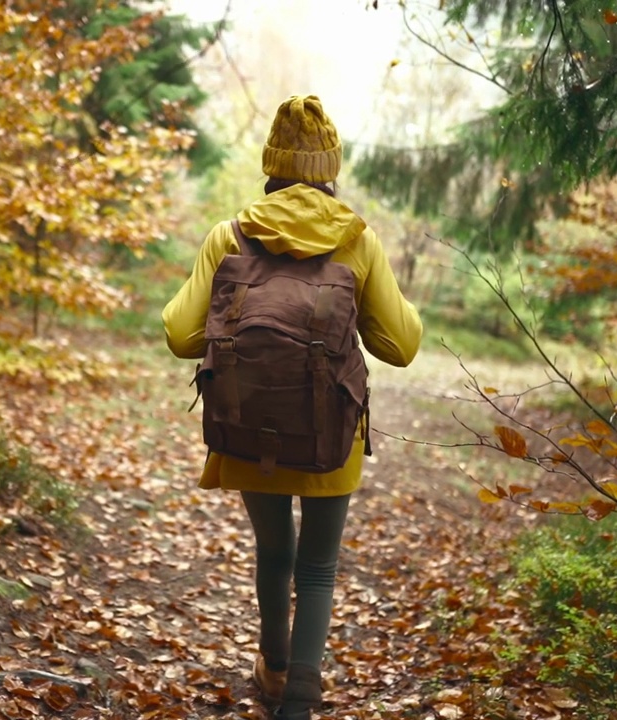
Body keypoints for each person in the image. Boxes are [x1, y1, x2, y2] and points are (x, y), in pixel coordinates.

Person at [162, 95, 422, 719]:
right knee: (318, 566)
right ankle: (301, 694)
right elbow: (402, 345)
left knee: (273, 553)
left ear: (271, 165)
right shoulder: (357, 241)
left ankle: (272, 669)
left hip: (248, 423)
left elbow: (178, 334)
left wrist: (235, 326)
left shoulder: (229, 236)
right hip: (329, 428)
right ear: (330, 168)